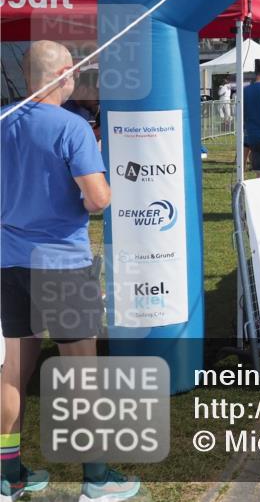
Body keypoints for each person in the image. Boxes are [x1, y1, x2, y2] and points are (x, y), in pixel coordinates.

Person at [1, 41, 140, 502]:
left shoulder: (3, 120)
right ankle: (97, 479)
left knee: (13, 372)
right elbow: (98, 199)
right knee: (83, 372)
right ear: (64, 74)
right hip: (62, 261)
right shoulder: (73, 126)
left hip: (10, 262)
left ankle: (9, 477)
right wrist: (98, 194)